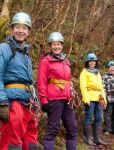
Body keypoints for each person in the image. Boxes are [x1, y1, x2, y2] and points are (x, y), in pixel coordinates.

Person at [0, 12, 38, 149]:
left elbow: (29, 82)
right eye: (18, 27)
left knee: (31, 140)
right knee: (12, 141)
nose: (21, 31)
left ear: (28, 31)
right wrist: (2, 102)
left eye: (25, 28)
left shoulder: (25, 53)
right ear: (12, 29)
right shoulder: (4, 48)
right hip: (12, 102)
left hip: (27, 102)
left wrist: (34, 101)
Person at [38, 32, 77, 150]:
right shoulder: (45, 60)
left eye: (58, 44)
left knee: (72, 127)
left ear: (62, 45)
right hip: (54, 98)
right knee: (52, 129)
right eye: (54, 44)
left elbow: (68, 80)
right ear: (50, 46)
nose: (56, 47)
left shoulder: (66, 61)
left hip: (67, 98)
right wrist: (44, 100)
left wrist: (71, 92)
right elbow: (41, 81)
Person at [80, 52, 107, 146]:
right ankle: (86, 138)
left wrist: (104, 99)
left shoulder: (97, 72)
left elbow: (101, 87)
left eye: (94, 61)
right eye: (90, 61)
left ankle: (96, 138)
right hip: (90, 97)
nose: (92, 63)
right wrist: (86, 99)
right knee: (89, 117)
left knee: (99, 118)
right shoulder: (84, 72)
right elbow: (83, 87)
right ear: (87, 62)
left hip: (98, 97)